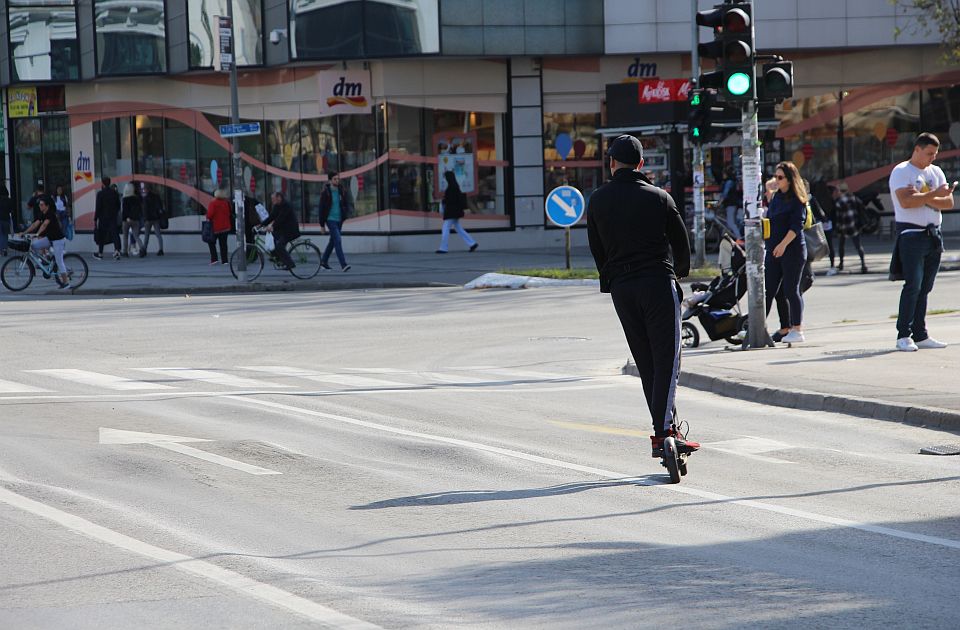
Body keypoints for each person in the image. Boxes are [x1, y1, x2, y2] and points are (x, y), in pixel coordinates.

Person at [586, 134, 699, 459]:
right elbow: (681, 242)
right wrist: (679, 272)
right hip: (656, 283)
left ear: (611, 163)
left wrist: (610, 278)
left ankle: (667, 427)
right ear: (641, 164)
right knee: (668, 360)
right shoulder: (659, 197)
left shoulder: (597, 200)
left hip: (623, 289)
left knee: (647, 361)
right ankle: (663, 432)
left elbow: (597, 248)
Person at [889, 132, 956, 351]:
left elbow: (948, 203)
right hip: (911, 234)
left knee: (925, 287)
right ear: (917, 149)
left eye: (935, 154)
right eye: (929, 153)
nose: (932, 158)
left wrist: (924, 197)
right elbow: (906, 202)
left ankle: (920, 334)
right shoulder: (901, 171)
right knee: (913, 285)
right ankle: (903, 335)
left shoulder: (935, 171)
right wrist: (933, 196)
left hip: (933, 234)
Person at [764, 161, 808, 343]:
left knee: (791, 290)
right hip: (773, 251)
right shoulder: (776, 198)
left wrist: (782, 245)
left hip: (792, 251)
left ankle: (797, 330)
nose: (777, 180)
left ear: (790, 180)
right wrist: (768, 186)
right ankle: (761, 326)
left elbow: (796, 225)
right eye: (775, 176)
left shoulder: (798, 199)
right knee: (770, 290)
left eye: (780, 177)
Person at [21, 197, 71, 289]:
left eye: (42, 205)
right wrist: (24, 233)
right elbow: (35, 224)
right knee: (33, 246)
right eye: (39, 205)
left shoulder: (50, 214)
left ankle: (66, 282)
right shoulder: (42, 214)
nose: (40, 206)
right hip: (50, 238)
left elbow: (44, 225)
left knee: (59, 261)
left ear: (47, 206)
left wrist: (37, 234)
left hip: (58, 240)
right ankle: (44, 261)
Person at [436, 170, 479, 254]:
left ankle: (443, 248)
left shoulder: (451, 188)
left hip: (451, 213)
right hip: (455, 212)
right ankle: (472, 243)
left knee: (445, 229)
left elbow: (450, 200)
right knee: (458, 228)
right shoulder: (455, 186)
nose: (444, 179)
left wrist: (444, 200)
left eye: (445, 177)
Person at [319, 172, 353, 271]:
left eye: (338, 179)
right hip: (330, 220)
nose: (337, 181)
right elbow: (321, 209)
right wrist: (322, 225)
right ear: (330, 180)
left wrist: (345, 213)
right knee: (337, 240)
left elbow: (345, 203)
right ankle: (343, 265)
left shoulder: (341, 190)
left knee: (333, 241)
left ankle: (324, 261)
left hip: (339, 219)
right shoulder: (326, 192)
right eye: (335, 179)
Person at [833, 182, 868, 274]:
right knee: (858, 245)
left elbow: (839, 216)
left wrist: (837, 228)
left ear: (839, 190)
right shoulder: (853, 198)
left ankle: (841, 263)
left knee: (841, 245)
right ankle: (863, 264)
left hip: (844, 225)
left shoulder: (839, 201)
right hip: (854, 224)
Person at [261, 191, 299, 270]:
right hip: (282, 229)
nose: (272, 201)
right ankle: (278, 258)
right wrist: (261, 225)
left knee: (279, 246)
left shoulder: (286, 205)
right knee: (272, 240)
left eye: (273, 199)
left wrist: (272, 226)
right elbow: (272, 217)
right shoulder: (277, 206)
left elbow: (281, 218)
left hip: (290, 230)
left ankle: (290, 264)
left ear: (279, 198)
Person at [93, 177, 121, 260]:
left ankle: (100, 253)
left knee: (102, 235)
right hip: (112, 216)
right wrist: (114, 212)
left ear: (103, 184)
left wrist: (95, 218)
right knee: (114, 233)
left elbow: (98, 207)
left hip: (103, 217)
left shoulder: (100, 194)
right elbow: (118, 205)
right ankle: (117, 251)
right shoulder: (114, 193)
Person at [206, 188, 232, 265]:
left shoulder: (213, 203)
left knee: (211, 242)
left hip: (215, 227)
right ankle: (225, 260)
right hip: (225, 227)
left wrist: (207, 216)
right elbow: (230, 213)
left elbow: (210, 214)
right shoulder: (226, 203)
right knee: (223, 244)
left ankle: (214, 259)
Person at [140, 183, 165, 256]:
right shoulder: (156, 196)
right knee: (158, 234)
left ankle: (144, 249)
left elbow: (145, 209)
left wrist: (145, 218)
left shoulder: (146, 198)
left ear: (147, 189)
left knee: (146, 235)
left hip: (148, 219)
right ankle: (161, 249)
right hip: (155, 218)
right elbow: (160, 207)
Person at [719, 165, 743, 240]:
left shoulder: (729, 182)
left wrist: (719, 203)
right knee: (730, 223)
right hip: (731, 204)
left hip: (731, 205)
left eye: (724, 173)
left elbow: (725, 194)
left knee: (731, 223)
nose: (723, 175)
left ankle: (739, 239)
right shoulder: (731, 181)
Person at [121, 183, 143, 257]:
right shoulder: (137, 199)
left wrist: (125, 218)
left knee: (125, 236)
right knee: (136, 235)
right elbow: (139, 209)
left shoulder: (125, 199)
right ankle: (142, 248)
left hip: (126, 220)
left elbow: (124, 211)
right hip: (136, 219)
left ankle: (125, 252)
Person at [0, 184, 13, 257]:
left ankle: (0, 250)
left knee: (0, 234)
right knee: (5, 235)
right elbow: (11, 210)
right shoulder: (9, 200)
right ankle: (4, 249)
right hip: (6, 219)